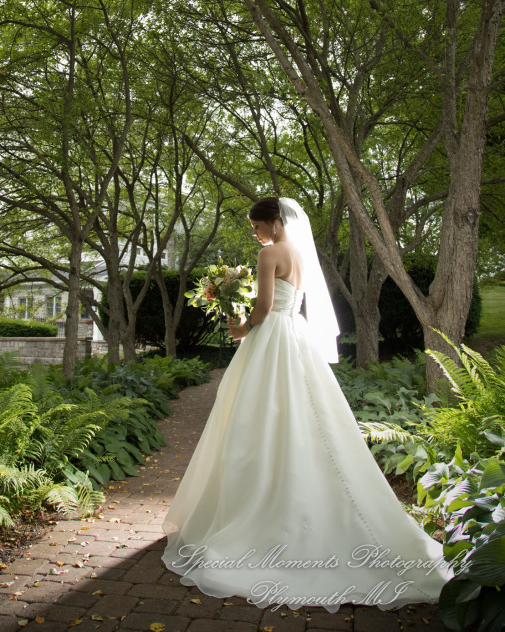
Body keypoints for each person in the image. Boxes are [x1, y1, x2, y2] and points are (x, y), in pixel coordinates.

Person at [161, 195, 452, 613]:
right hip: (295, 336)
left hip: (269, 341)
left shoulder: (269, 254)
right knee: (308, 415)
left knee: (255, 419)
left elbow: (262, 308)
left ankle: (257, 508)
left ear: (275, 222)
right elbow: (283, 304)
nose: (255, 232)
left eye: (257, 225)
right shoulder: (299, 252)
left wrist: (240, 328)